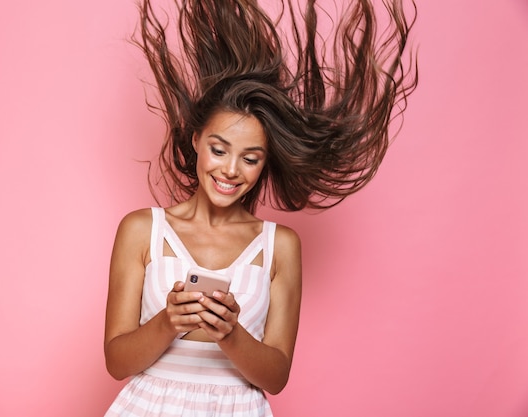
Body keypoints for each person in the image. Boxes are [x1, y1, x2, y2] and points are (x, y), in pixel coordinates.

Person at [103, 0, 417, 415]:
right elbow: (116, 362)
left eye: (250, 158)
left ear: (266, 162)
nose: (230, 170)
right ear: (196, 140)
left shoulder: (279, 245)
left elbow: (276, 376)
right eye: (219, 149)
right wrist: (169, 321)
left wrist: (230, 332)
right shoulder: (142, 230)